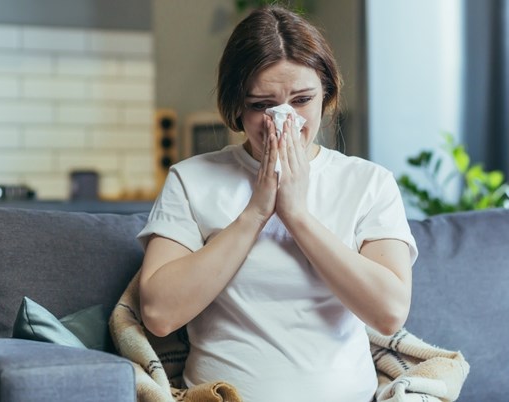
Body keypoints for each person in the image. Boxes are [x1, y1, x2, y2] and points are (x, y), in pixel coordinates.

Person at [137, 5, 418, 401]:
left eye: (302, 100)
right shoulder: (191, 180)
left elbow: (389, 312)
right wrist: (256, 212)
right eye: (260, 105)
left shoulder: (369, 183)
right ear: (236, 107)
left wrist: (297, 215)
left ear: (328, 96)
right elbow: (160, 315)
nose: (283, 119)